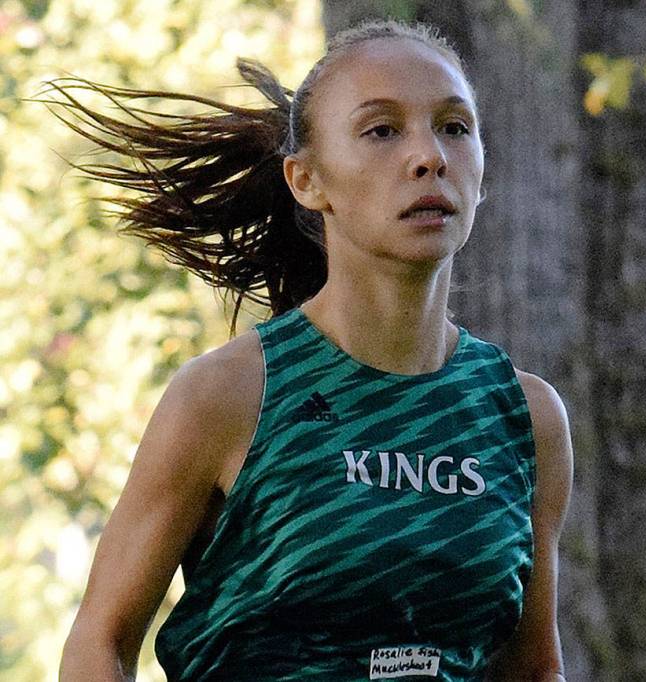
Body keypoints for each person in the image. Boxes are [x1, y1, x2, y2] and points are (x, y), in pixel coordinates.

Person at [53, 18, 573, 682]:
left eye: (454, 127)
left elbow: (534, 670)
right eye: (382, 131)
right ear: (307, 181)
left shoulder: (526, 417)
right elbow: (98, 646)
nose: (429, 157)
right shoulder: (227, 398)